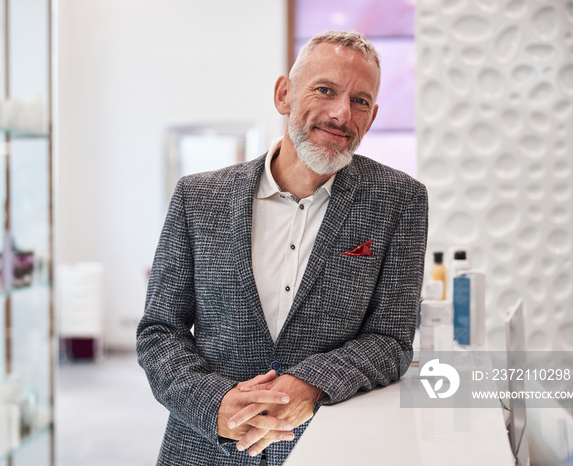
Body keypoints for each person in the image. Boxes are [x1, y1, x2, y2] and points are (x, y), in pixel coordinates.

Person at [137, 30, 428, 466]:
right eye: (325, 90)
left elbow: (391, 340)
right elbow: (159, 332)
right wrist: (215, 404)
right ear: (284, 94)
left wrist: (308, 384)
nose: (341, 113)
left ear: (372, 116)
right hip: (202, 450)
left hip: (333, 448)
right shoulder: (198, 198)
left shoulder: (400, 201)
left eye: (360, 101)